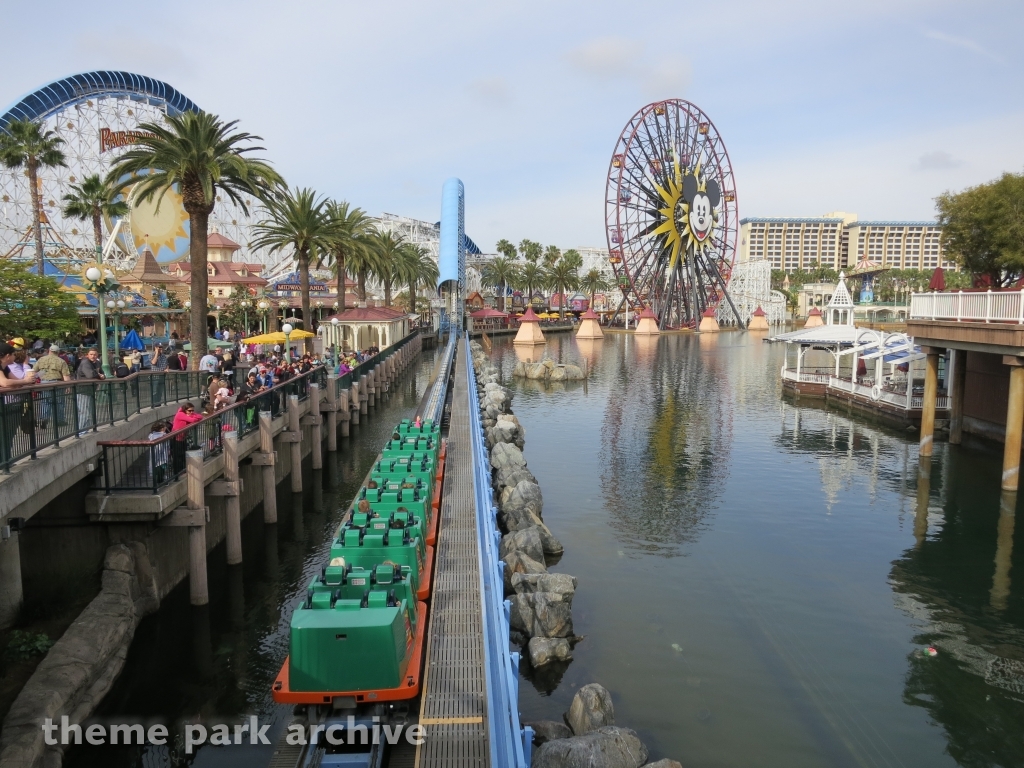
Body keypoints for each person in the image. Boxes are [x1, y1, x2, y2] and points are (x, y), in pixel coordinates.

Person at [74, 348, 104, 437]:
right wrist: (99, 375)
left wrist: (102, 375)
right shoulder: (85, 362)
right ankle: (80, 432)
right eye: (91, 354)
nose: (93, 356)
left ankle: (85, 430)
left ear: (97, 355)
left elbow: (103, 374)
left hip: (90, 390)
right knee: (84, 412)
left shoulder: (97, 363)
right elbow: (90, 375)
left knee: (89, 413)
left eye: (94, 354)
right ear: (87, 355)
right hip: (82, 390)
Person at [170, 402, 203, 474]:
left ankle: (183, 470)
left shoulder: (188, 414)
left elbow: (200, 416)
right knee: (177, 455)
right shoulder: (180, 414)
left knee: (183, 454)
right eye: (189, 410)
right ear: (185, 410)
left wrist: (191, 416)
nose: (191, 412)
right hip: (176, 437)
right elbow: (193, 420)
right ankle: (177, 472)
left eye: (192, 410)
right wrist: (192, 417)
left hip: (182, 437)